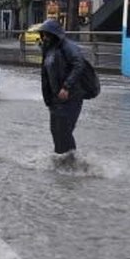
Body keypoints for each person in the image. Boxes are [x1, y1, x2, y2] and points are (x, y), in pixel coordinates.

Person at [38, 18, 86, 159]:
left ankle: (72, 160)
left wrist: (66, 86)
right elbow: (45, 75)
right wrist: (48, 98)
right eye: (43, 34)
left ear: (54, 34)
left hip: (71, 96)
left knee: (64, 130)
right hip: (55, 98)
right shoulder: (48, 49)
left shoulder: (68, 47)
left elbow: (79, 64)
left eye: (47, 34)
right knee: (55, 130)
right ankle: (61, 159)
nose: (45, 37)